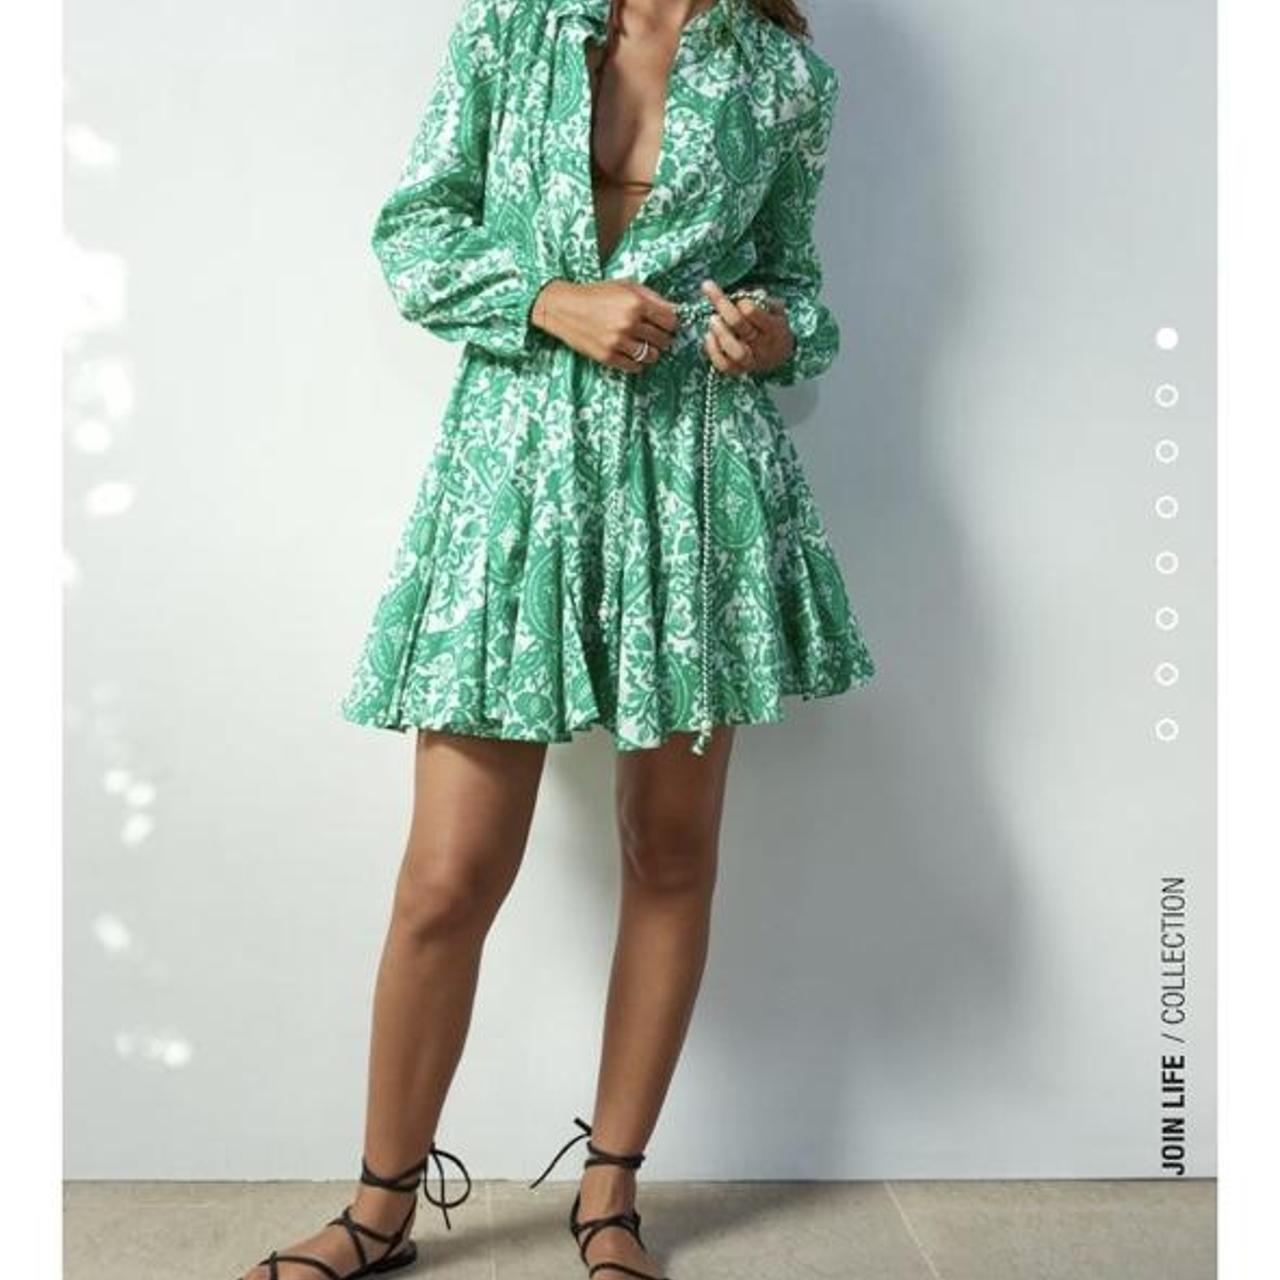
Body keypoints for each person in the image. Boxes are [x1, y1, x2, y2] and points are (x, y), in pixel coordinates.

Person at [239, 1, 875, 1277]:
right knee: (445, 877)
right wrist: (548, 299)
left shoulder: (784, 80)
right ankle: (377, 1209)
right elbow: (414, 231)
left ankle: (609, 1194)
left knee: (669, 851)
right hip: (515, 483)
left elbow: (798, 288)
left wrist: (771, 334)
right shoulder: (508, 31)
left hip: (696, 492)